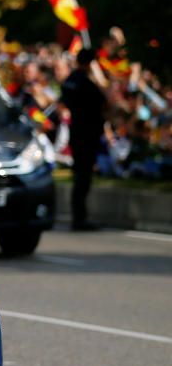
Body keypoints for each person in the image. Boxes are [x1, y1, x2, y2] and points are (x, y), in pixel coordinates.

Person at [60, 48, 108, 230]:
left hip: (78, 132)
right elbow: (103, 100)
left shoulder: (71, 80)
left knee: (80, 175)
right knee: (83, 177)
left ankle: (79, 216)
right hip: (87, 133)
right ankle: (80, 218)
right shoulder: (86, 82)